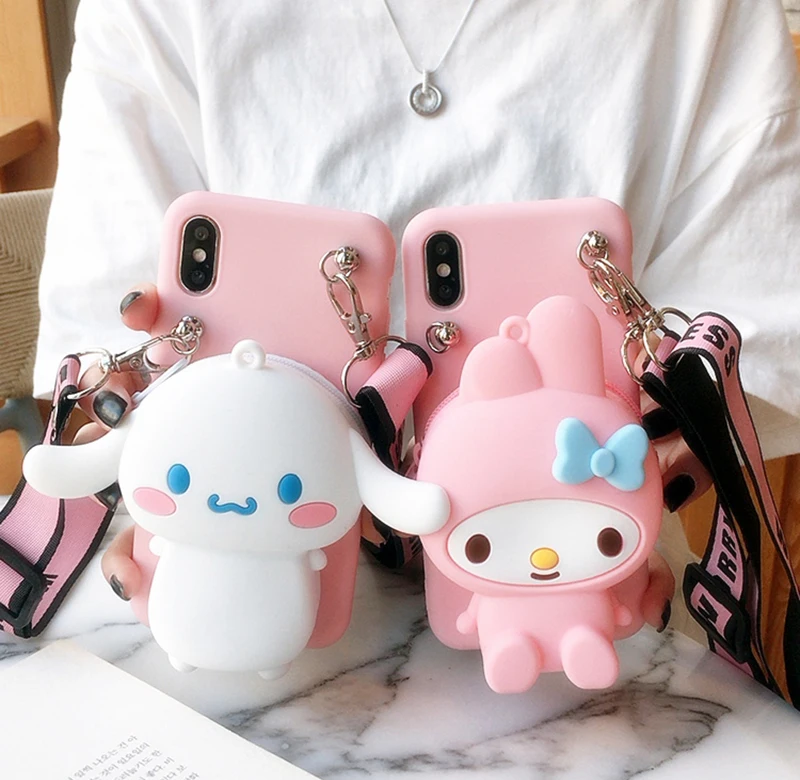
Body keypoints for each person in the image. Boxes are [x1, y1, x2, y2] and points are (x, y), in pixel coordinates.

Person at [34, 0, 800, 635]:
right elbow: (99, 330)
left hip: (588, 565)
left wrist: (679, 429)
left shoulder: (702, 15)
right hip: (243, 544)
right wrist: (131, 407)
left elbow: (757, 333)